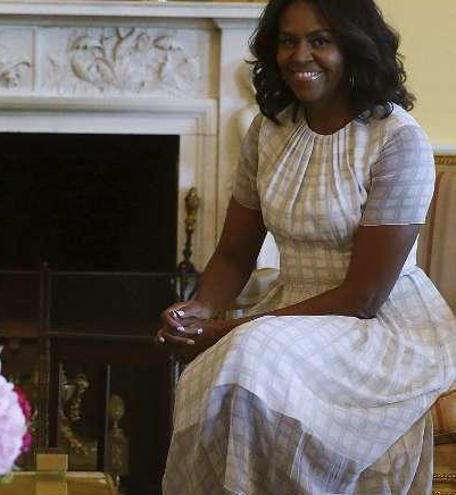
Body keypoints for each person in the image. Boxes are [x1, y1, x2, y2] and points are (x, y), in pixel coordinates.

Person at [158, 0, 456, 492]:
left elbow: (362, 297)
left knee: (249, 354)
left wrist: (229, 329)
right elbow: (234, 253)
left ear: (354, 46)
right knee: (219, 369)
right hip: (288, 310)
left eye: (320, 40)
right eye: (288, 40)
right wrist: (198, 311)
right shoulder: (269, 130)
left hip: (376, 325)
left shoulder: (396, 138)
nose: (301, 55)